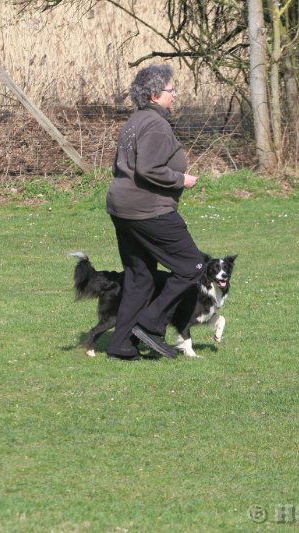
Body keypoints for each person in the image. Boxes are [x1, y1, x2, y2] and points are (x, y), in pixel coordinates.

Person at [105, 64, 205, 361]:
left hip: (123, 207)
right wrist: (180, 179)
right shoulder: (156, 124)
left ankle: (121, 345)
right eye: (171, 90)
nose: (175, 95)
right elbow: (148, 168)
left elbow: (122, 166)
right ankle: (150, 324)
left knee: (140, 277)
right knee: (193, 266)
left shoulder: (134, 122)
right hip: (149, 209)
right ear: (153, 94)